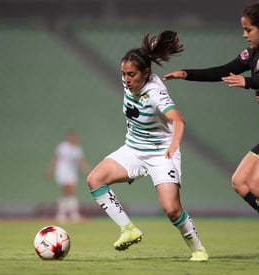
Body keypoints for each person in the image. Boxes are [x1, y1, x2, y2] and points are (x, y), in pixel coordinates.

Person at [163, 0, 259, 265]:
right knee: (240, 181)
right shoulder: (252, 54)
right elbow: (224, 71)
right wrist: (186, 74)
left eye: (248, 30)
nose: (244, 34)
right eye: (243, 29)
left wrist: (247, 82)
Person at [86, 30, 208, 262]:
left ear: (146, 73)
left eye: (131, 74)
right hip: (133, 149)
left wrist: (173, 145)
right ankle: (128, 229)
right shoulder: (130, 81)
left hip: (161, 153)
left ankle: (198, 249)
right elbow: (144, 56)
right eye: (123, 74)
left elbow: (179, 120)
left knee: (171, 209)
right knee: (95, 179)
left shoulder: (155, 93)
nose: (126, 79)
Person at [46, 130, 91, 223]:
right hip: (62, 171)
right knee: (69, 190)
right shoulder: (63, 147)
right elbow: (55, 159)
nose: (75, 139)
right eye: (73, 137)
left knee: (70, 192)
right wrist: (50, 170)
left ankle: (64, 215)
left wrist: (88, 171)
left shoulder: (77, 149)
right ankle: (69, 215)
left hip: (72, 172)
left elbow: (80, 162)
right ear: (69, 138)